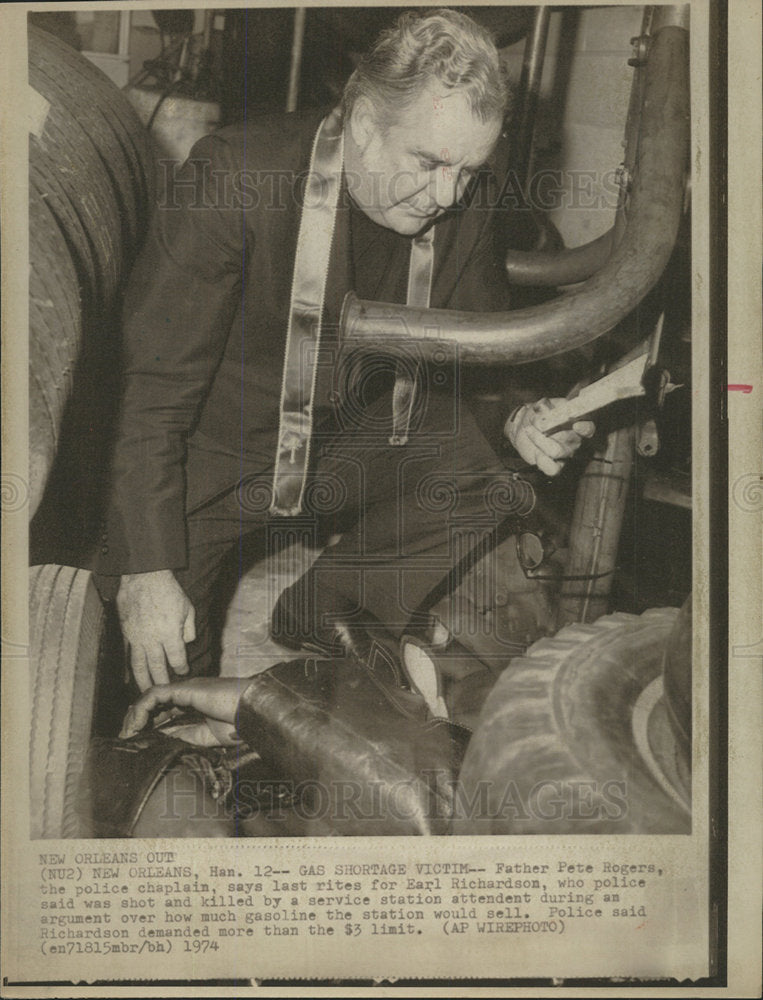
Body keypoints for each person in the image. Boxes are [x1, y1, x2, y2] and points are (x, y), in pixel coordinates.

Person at [96, 8, 594, 700]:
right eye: (428, 163)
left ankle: (324, 612)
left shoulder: (465, 198)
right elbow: (149, 393)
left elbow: (481, 365)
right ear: (362, 122)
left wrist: (520, 418)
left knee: (488, 475)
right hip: (217, 455)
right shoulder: (237, 176)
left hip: (354, 444)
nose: (446, 196)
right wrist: (146, 569)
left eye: (469, 170)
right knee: (156, 682)